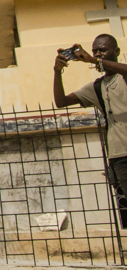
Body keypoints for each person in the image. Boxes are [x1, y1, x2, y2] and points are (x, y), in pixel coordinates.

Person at [54, 35, 127, 216]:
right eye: (95, 50)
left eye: (103, 50)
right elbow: (61, 101)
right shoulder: (97, 87)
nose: (98, 54)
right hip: (119, 155)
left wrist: (94, 60)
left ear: (116, 52)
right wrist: (57, 71)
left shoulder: (123, 77)